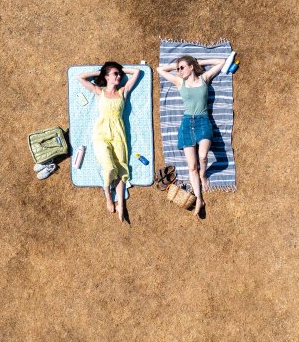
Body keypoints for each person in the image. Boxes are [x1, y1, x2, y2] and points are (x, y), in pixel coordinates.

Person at [157, 55, 226, 218]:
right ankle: (199, 199)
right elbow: (159, 69)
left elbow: (221, 62)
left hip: (203, 122)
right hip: (187, 124)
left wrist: (198, 63)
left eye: (182, 67)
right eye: (178, 68)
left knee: (203, 156)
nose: (179, 71)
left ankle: (203, 175)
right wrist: (177, 68)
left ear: (191, 67)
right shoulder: (180, 82)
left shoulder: (204, 79)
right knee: (192, 166)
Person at [78, 62, 141, 222]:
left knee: (121, 167)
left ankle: (121, 205)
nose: (119, 76)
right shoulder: (99, 92)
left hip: (119, 134)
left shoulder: (123, 91)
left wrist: (120, 69)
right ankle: (107, 196)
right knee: (109, 166)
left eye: (119, 74)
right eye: (115, 74)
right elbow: (81, 77)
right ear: (106, 77)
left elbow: (137, 72)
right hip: (101, 134)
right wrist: (100, 71)